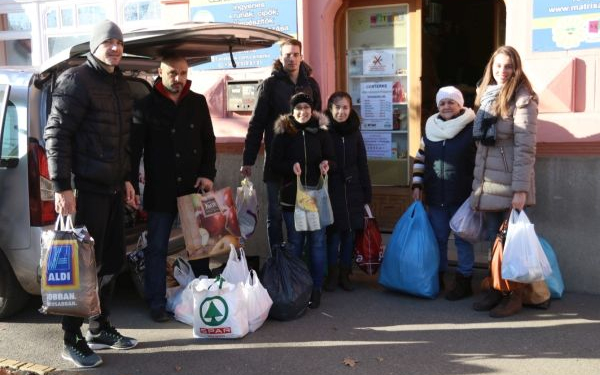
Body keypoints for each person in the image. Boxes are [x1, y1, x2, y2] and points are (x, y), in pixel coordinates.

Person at [44, 19, 137, 368]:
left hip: (113, 189)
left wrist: (127, 179)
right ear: (94, 46)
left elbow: (123, 140)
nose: (114, 47)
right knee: (81, 270)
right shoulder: (76, 80)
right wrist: (62, 186)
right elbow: (57, 135)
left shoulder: (120, 84)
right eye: (107, 42)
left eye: (118, 42)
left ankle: (100, 327)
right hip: (85, 191)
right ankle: (71, 338)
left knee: (112, 262)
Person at [130, 53, 216, 323]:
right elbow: (134, 150)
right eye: (172, 73)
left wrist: (207, 174)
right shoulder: (145, 106)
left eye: (182, 72)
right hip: (161, 188)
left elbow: (208, 141)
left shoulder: (198, 102)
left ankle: (206, 296)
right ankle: (156, 301)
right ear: (160, 72)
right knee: (156, 247)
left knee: (200, 246)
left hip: (193, 187)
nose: (178, 79)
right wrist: (130, 183)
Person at [469, 46, 538, 318]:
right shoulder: (487, 97)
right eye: (497, 66)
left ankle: (514, 295)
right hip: (488, 184)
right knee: (492, 241)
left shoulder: (523, 100)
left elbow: (525, 149)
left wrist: (520, 190)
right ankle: (495, 289)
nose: (502, 71)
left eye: (507, 66)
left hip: (510, 185)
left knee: (510, 245)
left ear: (516, 68)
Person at [240, 39, 321, 250]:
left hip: (305, 161)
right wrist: (248, 160)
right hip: (276, 160)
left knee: (304, 212)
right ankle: (278, 263)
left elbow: (317, 122)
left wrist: (322, 156)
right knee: (275, 214)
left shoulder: (311, 85)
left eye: (295, 54)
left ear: (301, 56)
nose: (291, 58)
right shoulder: (269, 85)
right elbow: (256, 124)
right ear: (280, 58)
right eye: (287, 55)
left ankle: (299, 263)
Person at [411, 86, 476, 300]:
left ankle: (464, 280)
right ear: (437, 106)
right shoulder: (430, 129)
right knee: (438, 239)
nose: (446, 106)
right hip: (436, 196)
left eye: (451, 102)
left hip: (462, 197)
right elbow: (420, 160)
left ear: (460, 105)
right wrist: (417, 186)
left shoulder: (471, 129)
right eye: (442, 103)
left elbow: (479, 162)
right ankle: (438, 277)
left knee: (462, 240)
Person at [270, 93, 334, 309]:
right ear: (292, 110)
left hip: (315, 196)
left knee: (317, 243)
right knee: (296, 243)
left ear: (312, 109)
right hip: (292, 197)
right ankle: (295, 287)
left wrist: (327, 164)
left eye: (307, 107)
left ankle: (316, 288)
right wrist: (290, 167)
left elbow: (330, 156)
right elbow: (273, 164)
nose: (303, 111)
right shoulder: (283, 133)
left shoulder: (321, 132)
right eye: (298, 107)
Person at [323, 92, 372, 292]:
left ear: (350, 109)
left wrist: (367, 194)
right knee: (333, 234)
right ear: (330, 108)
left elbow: (362, 163)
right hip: (332, 188)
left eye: (345, 107)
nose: (341, 112)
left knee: (350, 234)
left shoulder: (355, 132)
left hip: (353, 189)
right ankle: (332, 274)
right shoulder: (324, 130)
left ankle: (345, 273)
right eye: (337, 107)